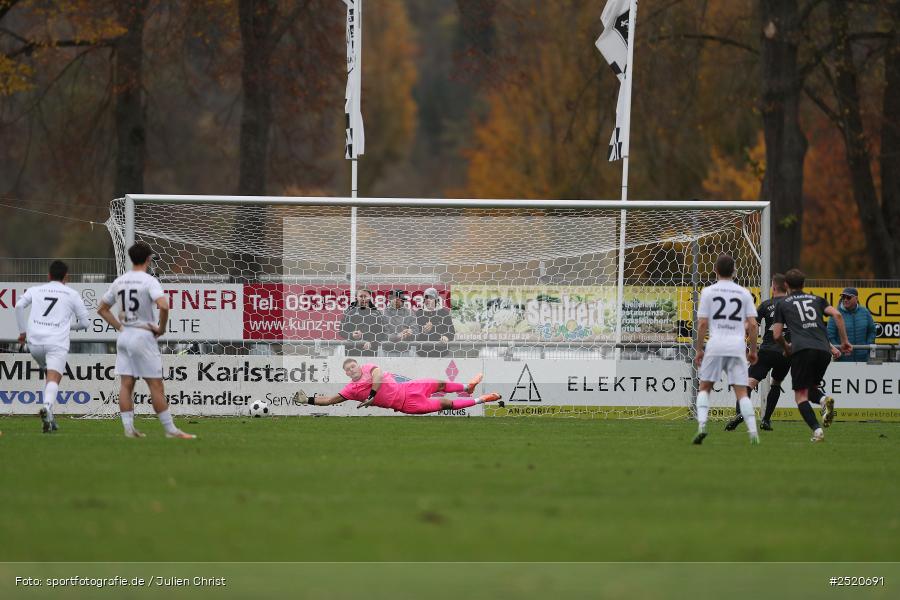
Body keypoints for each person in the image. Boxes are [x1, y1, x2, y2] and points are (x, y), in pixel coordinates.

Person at [97, 241, 195, 439]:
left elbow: (102, 309)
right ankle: (170, 430)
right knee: (156, 386)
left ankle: (128, 429)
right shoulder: (149, 281)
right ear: (149, 259)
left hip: (124, 337)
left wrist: (120, 327)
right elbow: (164, 305)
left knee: (126, 384)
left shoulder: (120, 281)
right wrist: (161, 328)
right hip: (143, 336)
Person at [773, 268, 851, 442]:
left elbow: (777, 335)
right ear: (804, 284)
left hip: (802, 350)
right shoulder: (817, 299)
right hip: (824, 350)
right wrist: (845, 341)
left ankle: (817, 431)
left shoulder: (783, 303)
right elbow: (837, 315)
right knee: (811, 388)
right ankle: (823, 399)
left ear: (786, 285)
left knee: (800, 395)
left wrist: (786, 349)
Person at [14, 260, 91, 433]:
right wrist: (68, 326)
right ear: (66, 277)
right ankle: (47, 408)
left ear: (48, 275)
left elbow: (19, 305)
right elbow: (85, 323)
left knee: (48, 378)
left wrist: (22, 332)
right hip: (56, 342)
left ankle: (50, 420)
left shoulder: (35, 290)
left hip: (34, 343)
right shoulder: (71, 294)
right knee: (54, 378)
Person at [692, 254, 760, 445]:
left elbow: (703, 323)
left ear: (715, 270)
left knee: (704, 387)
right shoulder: (744, 293)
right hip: (737, 346)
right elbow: (753, 326)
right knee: (741, 392)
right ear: (735, 271)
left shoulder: (708, 292)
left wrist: (699, 349)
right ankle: (753, 433)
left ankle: (702, 426)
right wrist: (753, 350)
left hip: (716, 344)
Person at [300, 358, 502, 414]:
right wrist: (306, 400)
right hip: (408, 405)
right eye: (349, 369)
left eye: (354, 366)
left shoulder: (369, 368)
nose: (353, 370)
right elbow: (328, 400)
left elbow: (378, 375)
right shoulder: (350, 390)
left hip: (409, 388)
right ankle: (482, 399)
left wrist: (372, 394)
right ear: (346, 373)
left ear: (358, 366)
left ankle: (467, 387)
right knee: (445, 404)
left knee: (438, 383)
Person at [724, 273, 791, 433]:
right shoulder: (793, 306)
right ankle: (766, 420)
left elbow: (751, 325)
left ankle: (740, 413)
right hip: (786, 352)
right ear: (787, 288)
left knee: (748, 383)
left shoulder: (767, 305)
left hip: (767, 350)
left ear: (773, 287)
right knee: (776, 383)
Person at [827, 287, 875, 362]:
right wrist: (839, 350)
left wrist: (866, 349)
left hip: (862, 359)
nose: (845, 300)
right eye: (843, 297)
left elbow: (872, 332)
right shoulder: (836, 314)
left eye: (848, 297)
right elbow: (830, 335)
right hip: (842, 360)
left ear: (856, 298)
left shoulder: (865, 312)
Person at [339, 288, 385, 356]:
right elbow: (341, 331)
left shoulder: (376, 313)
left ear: (370, 297)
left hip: (370, 350)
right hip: (352, 350)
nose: (363, 298)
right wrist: (352, 335)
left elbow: (382, 333)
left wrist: (372, 342)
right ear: (357, 297)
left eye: (365, 296)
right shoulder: (350, 312)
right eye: (361, 296)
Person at [414, 287, 455, 357]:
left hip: (441, 353)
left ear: (436, 299)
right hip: (422, 354)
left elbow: (451, 331)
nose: (428, 300)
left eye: (431, 298)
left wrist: (446, 337)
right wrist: (423, 332)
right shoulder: (419, 314)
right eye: (426, 298)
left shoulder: (444, 313)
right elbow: (414, 333)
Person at [381, 289, 417, 356]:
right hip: (387, 351)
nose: (397, 300)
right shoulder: (383, 314)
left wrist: (410, 333)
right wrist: (397, 336)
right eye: (394, 298)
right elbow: (382, 334)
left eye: (399, 298)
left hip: (406, 351)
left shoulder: (410, 313)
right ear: (389, 300)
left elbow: (416, 332)